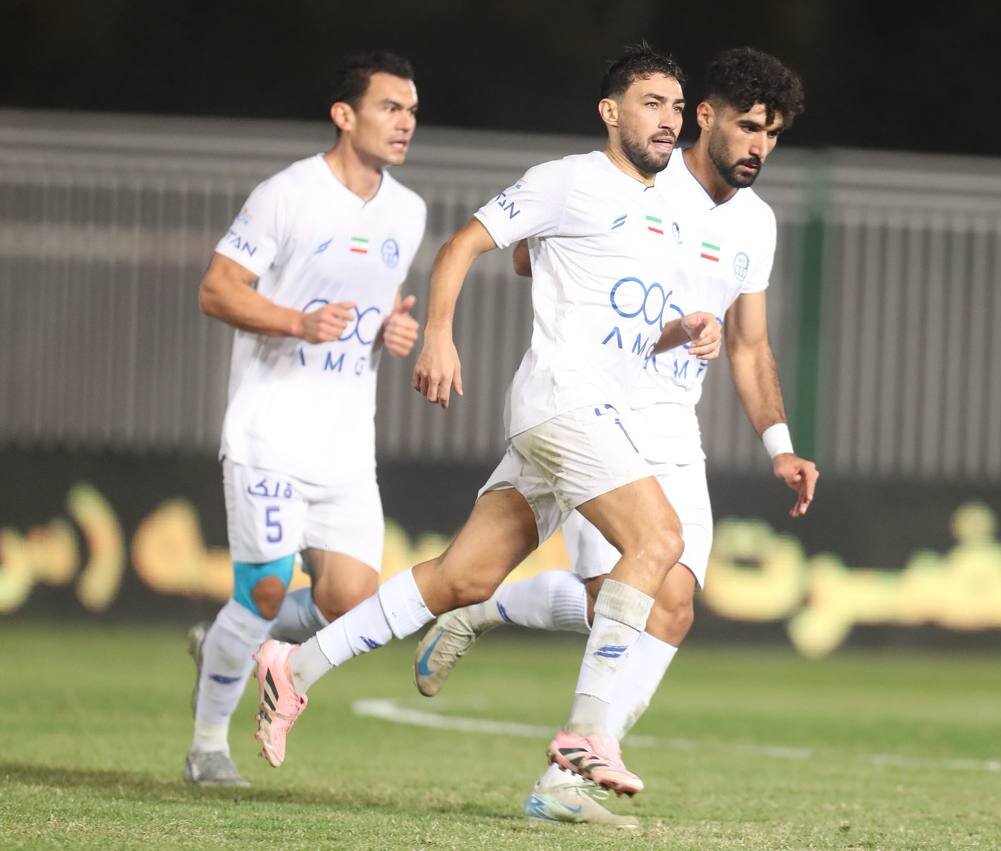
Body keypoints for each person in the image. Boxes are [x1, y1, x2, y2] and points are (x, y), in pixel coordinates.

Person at [250, 44, 722, 797]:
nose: (668, 120)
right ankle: (589, 728)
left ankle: (294, 666)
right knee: (660, 539)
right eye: (651, 104)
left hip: (588, 413)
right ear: (610, 113)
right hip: (564, 404)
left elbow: (623, 321)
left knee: (460, 579)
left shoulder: (665, 209)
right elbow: (463, 245)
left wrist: (684, 329)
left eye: (674, 106)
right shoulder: (568, 180)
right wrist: (438, 335)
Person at [411, 46, 815, 827]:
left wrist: (781, 445)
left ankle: (558, 765)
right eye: (749, 126)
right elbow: (528, 252)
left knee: (674, 606)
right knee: (617, 598)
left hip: (676, 425)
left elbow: (749, 344)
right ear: (705, 117)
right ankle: (501, 643)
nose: (760, 146)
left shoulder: (756, 224)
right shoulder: (643, 177)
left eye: (774, 134)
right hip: (605, 408)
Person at [184, 50, 426, 786]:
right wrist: (297, 321)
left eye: (412, 111)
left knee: (350, 600)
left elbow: (370, 309)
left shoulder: (407, 211)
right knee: (264, 589)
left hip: (346, 441)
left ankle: (224, 638)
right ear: (344, 115)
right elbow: (218, 289)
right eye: (390, 107)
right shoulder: (287, 195)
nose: (405, 123)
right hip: (271, 429)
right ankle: (208, 747)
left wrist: (391, 332)